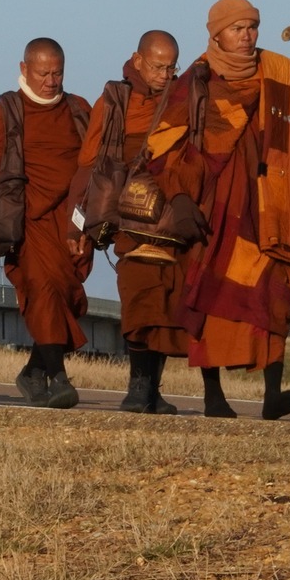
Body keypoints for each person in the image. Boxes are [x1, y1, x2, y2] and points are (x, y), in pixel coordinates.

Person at [173, 0, 290, 419]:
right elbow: (169, 145)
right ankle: (213, 396)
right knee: (210, 290)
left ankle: (272, 395)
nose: (247, 36)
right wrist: (182, 196)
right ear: (216, 34)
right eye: (237, 28)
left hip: (269, 206)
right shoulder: (197, 79)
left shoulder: (277, 74)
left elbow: (284, 144)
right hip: (216, 207)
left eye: (252, 27)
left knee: (273, 291)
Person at [76, 30, 201, 415]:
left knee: (167, 304)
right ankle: (137, 385)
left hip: (172, 217)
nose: (166, 74)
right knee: (138, 300)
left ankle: (153, 389)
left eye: (172, 67)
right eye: (159, 66)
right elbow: (89, 164)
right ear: (138, 59)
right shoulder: (116, 99)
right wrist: (77, 224)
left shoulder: (185, 99)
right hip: (130, 217)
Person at [0, 38, 93, 408]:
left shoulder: (78, 109)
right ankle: (57, 378)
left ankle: (31, 372)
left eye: (58, 73)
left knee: (68, 297)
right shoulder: (6, 112)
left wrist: (87, 225)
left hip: (70, 221)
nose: (51, 81)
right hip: (27, 221)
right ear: (24, 69)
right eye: (43, 73)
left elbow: (91, 169)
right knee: (42, 290)